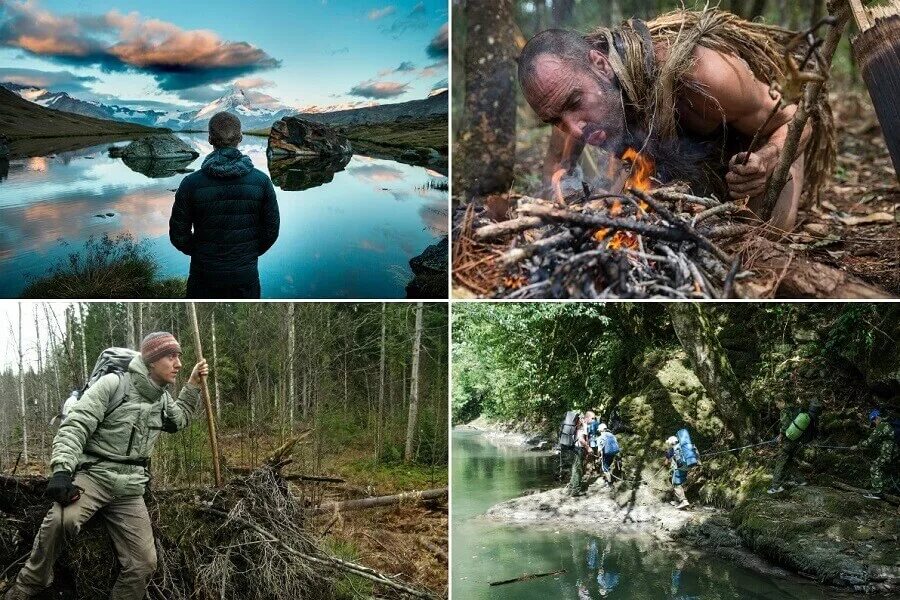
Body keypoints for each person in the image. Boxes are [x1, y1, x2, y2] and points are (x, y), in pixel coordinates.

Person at [516, 9, 834, 231]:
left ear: (599, 64)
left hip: (750, 152)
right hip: (679, 164)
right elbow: (555, 173)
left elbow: (796, 119)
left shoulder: (702, 74)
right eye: (554, 120)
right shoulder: (568, 105)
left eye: (574, 103)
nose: (572, 129)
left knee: (762, 238)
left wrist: (766, 159)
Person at [4, 333, 208, 600]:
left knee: (144, 563)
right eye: (172, 356)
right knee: (61, 521)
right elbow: (76, 425)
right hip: (95, 476)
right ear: (151, 361)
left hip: (131, 488)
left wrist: (192, 384)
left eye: (179, 357)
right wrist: (62, 470)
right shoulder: (114, 385)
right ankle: (30, 583)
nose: (179, 363)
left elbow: (179, 420)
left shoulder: (161, 398)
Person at [170, 111, 280, 299]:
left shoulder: (191, 183)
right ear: (241, 138)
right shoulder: (261, 182)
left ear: (210, 139)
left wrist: (201, 253)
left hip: (203, 275)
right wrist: (248, 254)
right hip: (245, 276)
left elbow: (178, 235)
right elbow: (271, 231)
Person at [768, 400, 820, 494]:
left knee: (780, 461)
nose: (776, 406)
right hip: (796, 441)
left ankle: (775, 487)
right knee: (788, 461)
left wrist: (780, 436)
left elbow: (785, 426)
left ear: (782, 401)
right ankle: (801, 480)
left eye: (777, 403)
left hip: (788, 441)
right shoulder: (795, 409)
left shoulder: (785, 411)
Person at [854, 409, 897, 500]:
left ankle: (878, 492)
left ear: (876, 418)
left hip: (888, 452)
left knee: (875, 467)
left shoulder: (881, 426)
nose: (874, 424)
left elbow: (870, 441)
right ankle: (883, 489)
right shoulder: (887, 425)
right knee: (884, 469)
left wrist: (857, 446)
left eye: (873, 422)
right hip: (894, 452)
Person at [665, 435, 700, 509]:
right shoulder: (684, 447)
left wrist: (667, 460)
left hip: (679, 468)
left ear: (671, 443)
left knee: (675, 483)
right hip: (687, 466)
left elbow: (666, 463)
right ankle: (677, 500)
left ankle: (683, 501)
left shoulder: (671, 450)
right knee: (680, 482)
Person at [567, 413, 590, 497]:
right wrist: (588, 448)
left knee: (575, 468)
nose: (586, 421)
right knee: (578, 469)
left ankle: (571, 488)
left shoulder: (575, 428)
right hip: (578, 449)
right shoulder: (581, 428)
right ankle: (575, 490)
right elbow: (581, 440)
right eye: (584, 419)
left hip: (574, 449)